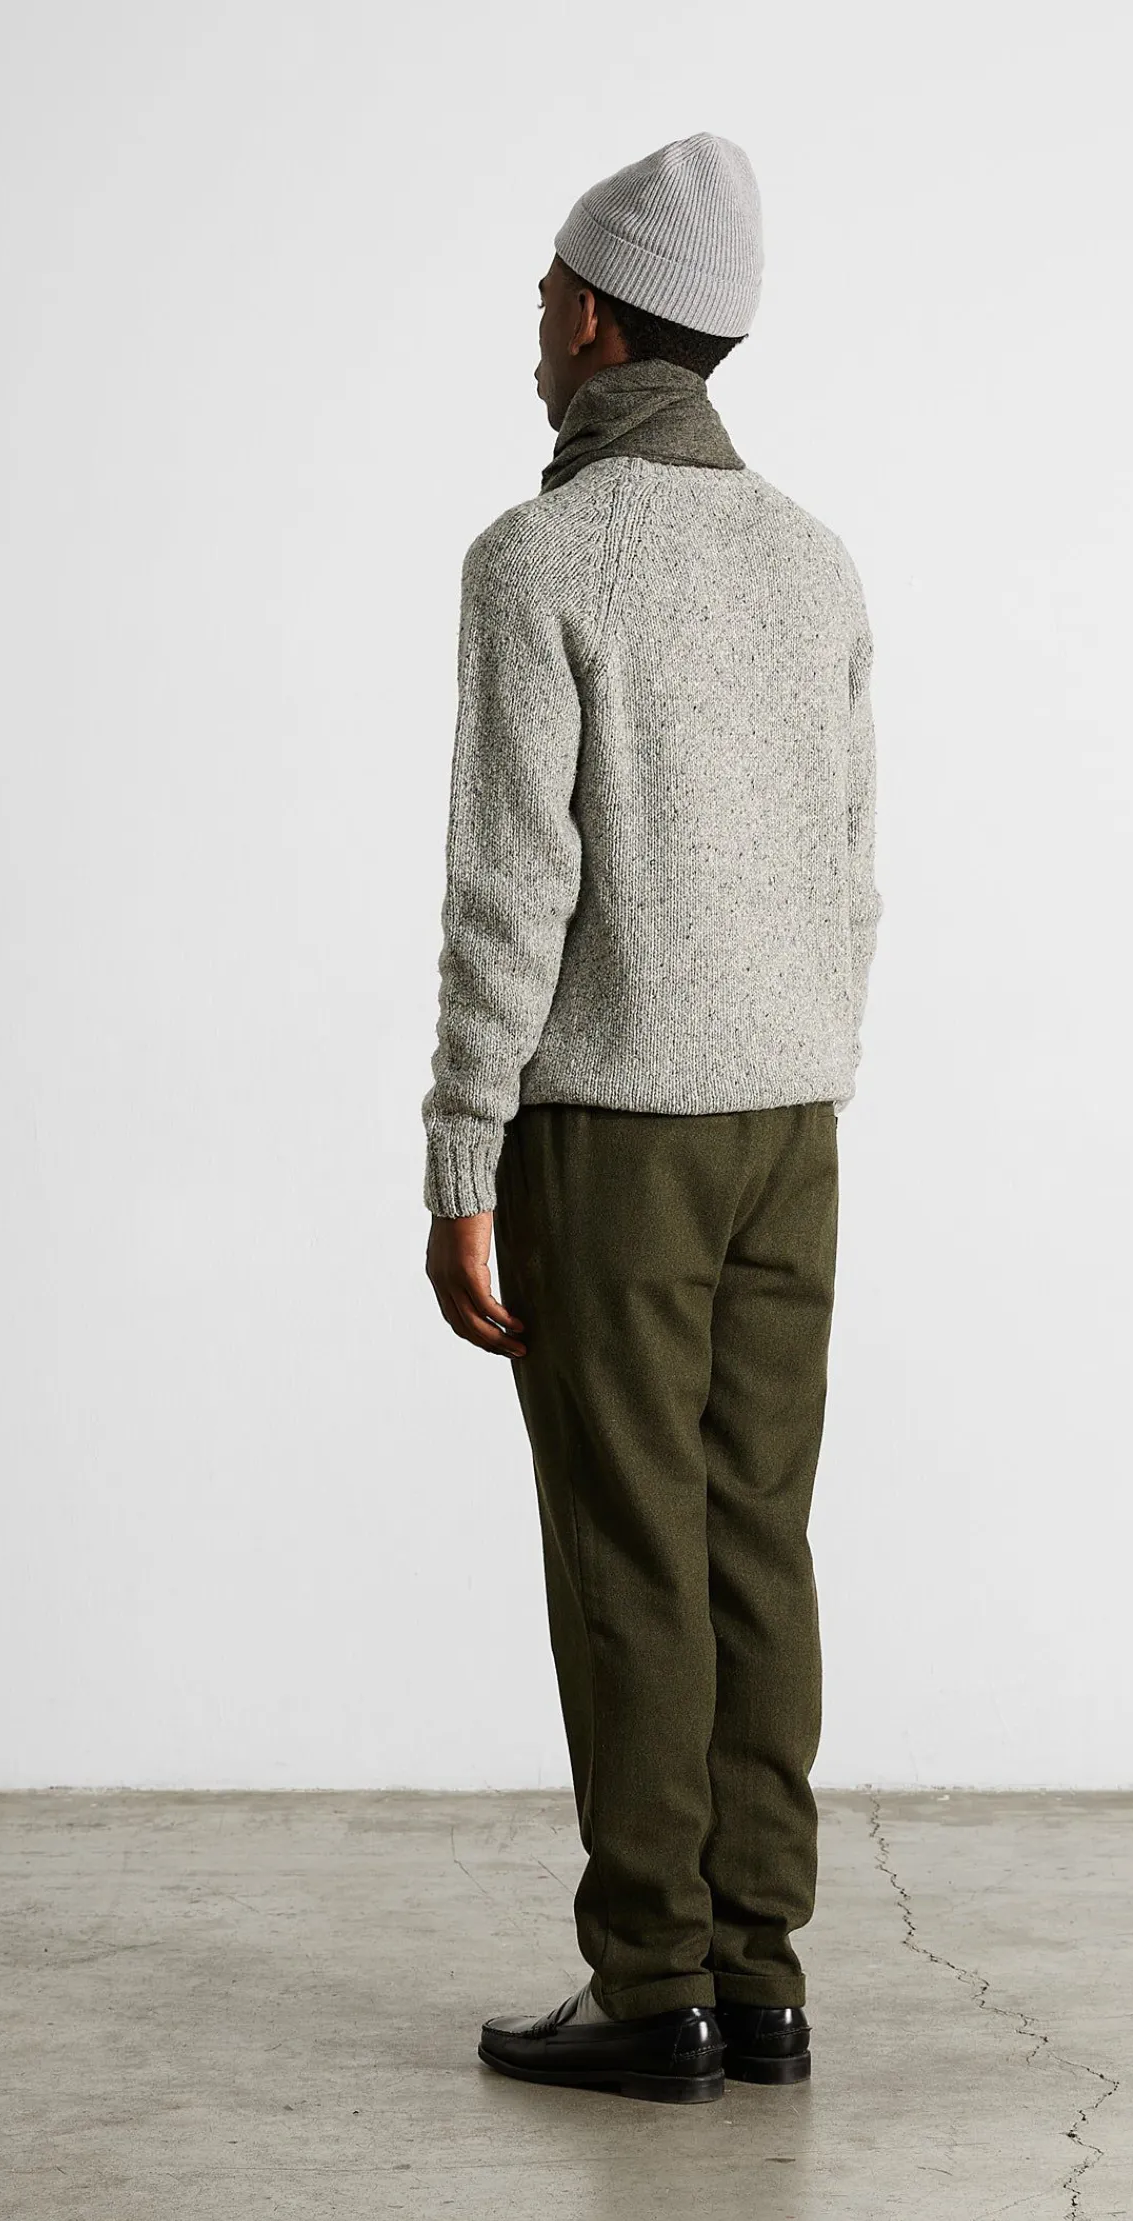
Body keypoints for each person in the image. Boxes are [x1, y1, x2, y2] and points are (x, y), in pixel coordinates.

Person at [422, 130, 881, 2103]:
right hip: (792, 1123)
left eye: (547, 295)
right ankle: (761, 1978)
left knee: (630, 1555)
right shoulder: (812, 557)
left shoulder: (538, 560)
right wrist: (808, 1053)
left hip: (611, 1129)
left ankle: (650, 1988)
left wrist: (461, 1152)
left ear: (600, 317)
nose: (533, 327)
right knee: (755, 1542)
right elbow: (854, 866)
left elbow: (510, 886)